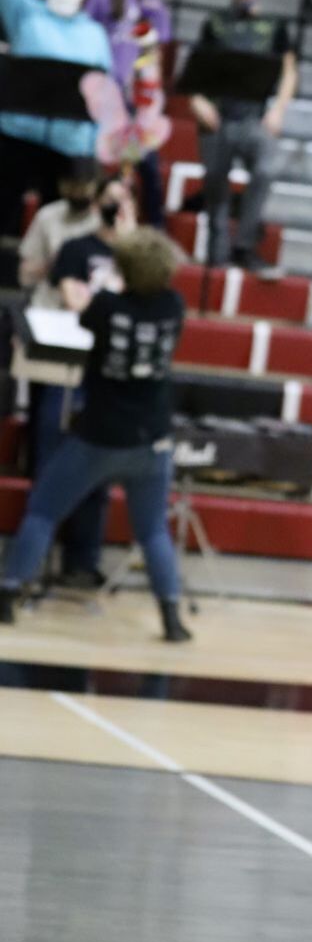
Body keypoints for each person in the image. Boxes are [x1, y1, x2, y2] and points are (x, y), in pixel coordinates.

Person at [0, 227, 190, 643]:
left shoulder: (105, 305)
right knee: (153, 529)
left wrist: (110, 282)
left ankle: (9, 593)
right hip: (152, 437)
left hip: (101, 433)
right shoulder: (174, 305)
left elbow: (85, 318)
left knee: (44, 509)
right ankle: (171, 616)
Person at [36, 175, 137, 584]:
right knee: (49, 460)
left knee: (98, 473)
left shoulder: (137, 259)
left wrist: (128, 248)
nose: (117, 207)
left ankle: (82, 561)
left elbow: (141, 303)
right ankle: (32, 561)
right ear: (96, 204)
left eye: (124, 200)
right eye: (110, 200)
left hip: (110, 376)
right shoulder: (77, 249)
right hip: (67, 368)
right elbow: (74, 301)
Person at [0, 0, 112, 253]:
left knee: (59, 219)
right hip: (18, 132)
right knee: (4, 204)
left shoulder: (94, 33)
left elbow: (103, 90)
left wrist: (94, 142)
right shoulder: (26, 15)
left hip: (68, 141)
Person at [190, 0, 298, 270]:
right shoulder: (215, 22)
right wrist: (198, 100)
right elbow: (196, 68)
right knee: (216, 185)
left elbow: (289, 71)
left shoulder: (274, 26)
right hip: (218, 116)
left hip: (255, 116)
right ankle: (217, 254)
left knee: (265, 171)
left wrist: (278, 109)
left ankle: (245, 246)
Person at [85, 0, 174, 226]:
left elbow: (154, 51)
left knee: (143, 164)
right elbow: (86, 34)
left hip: (135, 101)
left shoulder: (154, 5)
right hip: (102, 97)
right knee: (97, 162)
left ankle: (154, 229)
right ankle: (91, 221)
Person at [18, 157, 101, 309]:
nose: (77, 192)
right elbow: (24, 275)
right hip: (49, 303)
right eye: (72, 186)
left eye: (83, 187)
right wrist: (55, 264)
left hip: (93, 308)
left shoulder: (103, 221)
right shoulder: (48, 215)